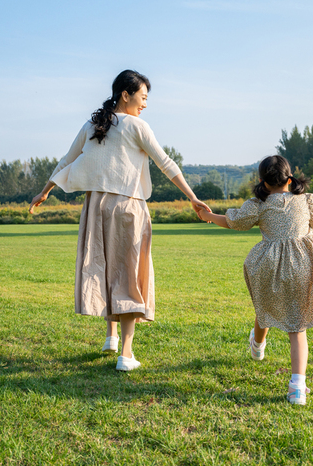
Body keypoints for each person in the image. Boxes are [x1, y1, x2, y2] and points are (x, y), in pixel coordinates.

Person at [29, 70, 209, 372]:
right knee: (127, 274)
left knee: (105, 268)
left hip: (95, 206)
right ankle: (126, 354)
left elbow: (67, 159)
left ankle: (111, 337)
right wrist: (192, 197)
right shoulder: (137, 126)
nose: (145, 104)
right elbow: (166, 163)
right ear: (126, 95)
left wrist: (44, 191)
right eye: (143, 97)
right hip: (127, 206)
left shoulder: (93, 125)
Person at [198, 155, 313, 404]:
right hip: (303, 265)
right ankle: (297, 388)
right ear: (289, 176)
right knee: (297, 327)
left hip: (269, 265)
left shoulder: (259, 204)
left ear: (262, 181)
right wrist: (307, 236)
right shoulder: (307, 200)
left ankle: (257, 345)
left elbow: (233, 222)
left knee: (266, 306)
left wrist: (208, 216)